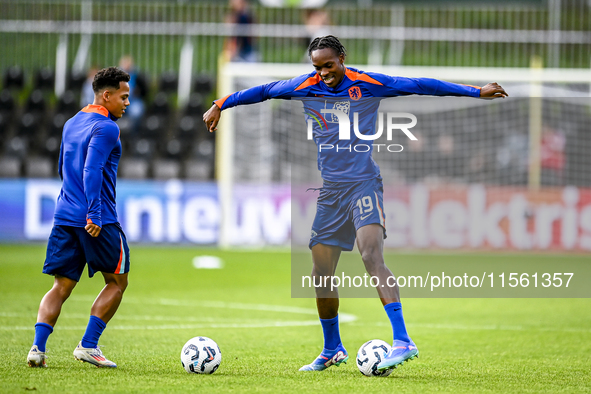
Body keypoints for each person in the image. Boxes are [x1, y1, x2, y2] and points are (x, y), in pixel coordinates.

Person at [203, 35, 508, 372]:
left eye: (328, 65)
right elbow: (262, 91)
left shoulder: (367, 83)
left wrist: (475, 91)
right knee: (320, 273)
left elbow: (422, 85)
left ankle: (403, 340)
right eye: (317, 67)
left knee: (370, 255)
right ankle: (332, 348)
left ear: (342, 58)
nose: (323, 73)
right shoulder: (305, 85)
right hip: (331, 191)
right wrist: (221, 102)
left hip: (363, 184)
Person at [27, 67, 131, 368]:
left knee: (61, 286)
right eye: (123, 97)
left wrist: (72, 204)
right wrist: (95, 213)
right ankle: (89, 345)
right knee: (117, 281)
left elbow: (63, 167)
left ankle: (37, 348)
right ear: (107, 96)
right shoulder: (108, 127)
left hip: (64, 215)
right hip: (97, 219)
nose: (126, 103)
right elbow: (92, 169)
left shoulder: (72, 122)